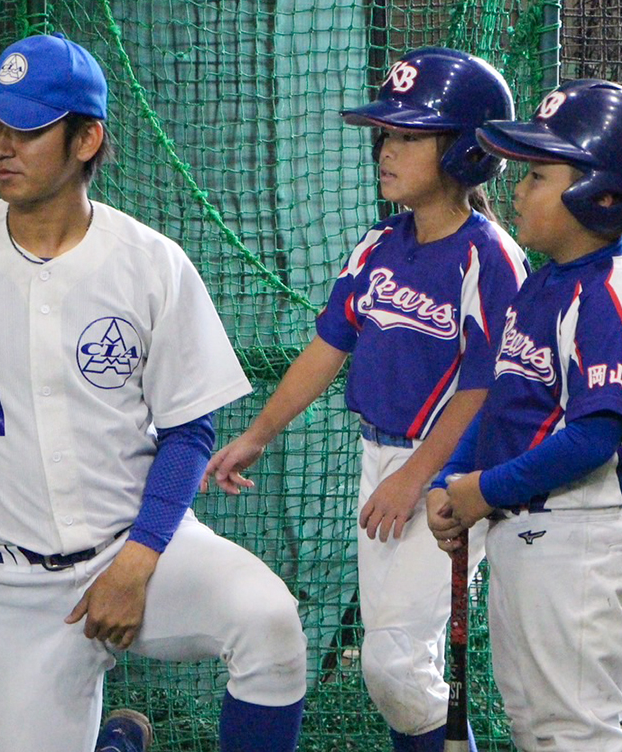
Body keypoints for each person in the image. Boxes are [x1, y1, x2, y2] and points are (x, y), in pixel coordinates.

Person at [0, 33, 307, 752]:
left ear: (87, 139)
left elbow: (189, 432)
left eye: (27, 129)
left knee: (268, 622)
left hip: (144, 548)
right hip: (15, 590)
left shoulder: (150, 263)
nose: (0, 147)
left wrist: (138, 559)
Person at [204, 48, 528, 752]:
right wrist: (258, 434)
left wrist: (417, 478)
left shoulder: (490, 256)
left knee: (395, 666)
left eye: (409, 136)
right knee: (397, 669)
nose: (386, 149)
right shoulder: (378, 244)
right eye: (386, 134)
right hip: (377, 462)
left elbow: (485, 389)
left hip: (446, 472)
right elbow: (328, 346)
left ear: (465, 152)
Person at [426, 79, 622, 752]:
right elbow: (503, 402)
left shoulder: (610, 293)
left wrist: (484, 489)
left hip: (577, 540)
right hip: (526, 533)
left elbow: (595, 435)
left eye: (538, 176)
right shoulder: (543, 283)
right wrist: (452, 479)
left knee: (575, 733)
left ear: (604, 194)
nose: (518, 190)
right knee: (537, 729)